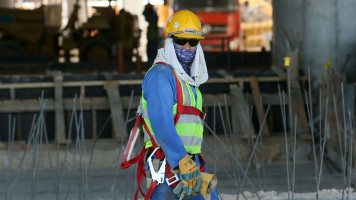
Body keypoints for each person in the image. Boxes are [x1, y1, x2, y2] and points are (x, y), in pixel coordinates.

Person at [140, 10, 219, 199]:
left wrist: (188, 163)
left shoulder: (186, 79)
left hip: (189, 163)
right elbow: (161, 123)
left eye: (193, 42)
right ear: (169, 41)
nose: (188, 46)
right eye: (181, 40)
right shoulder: (160, 75)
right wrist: (181, 161)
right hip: (169, 165)